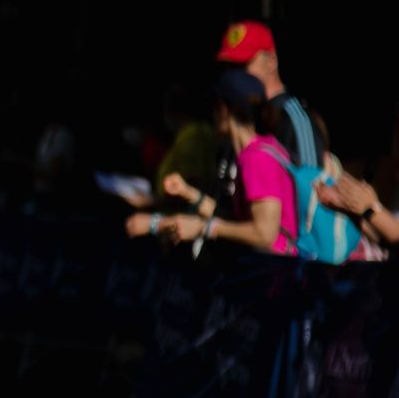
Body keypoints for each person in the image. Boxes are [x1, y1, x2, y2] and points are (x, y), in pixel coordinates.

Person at [128, 71, 294, 255]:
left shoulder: (257, 159)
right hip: (269, 267)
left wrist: (205, 228)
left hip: (273, 269)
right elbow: (236, 221)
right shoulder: (258, 151)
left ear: (224, 109)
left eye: (214, 106)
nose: (212, 114)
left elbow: (265, 234)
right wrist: (187, 192)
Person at [216, 20, 325, 169]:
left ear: (272, 61)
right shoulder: (237, 118)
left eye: (243, 65)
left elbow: (313, 180)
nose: (235, 76)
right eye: (231, 67)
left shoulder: (293, 119)